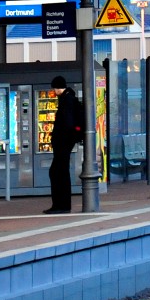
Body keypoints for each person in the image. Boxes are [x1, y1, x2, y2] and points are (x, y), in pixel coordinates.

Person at [44, 75, 83, 214]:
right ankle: (62, 205)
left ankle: (60, 205)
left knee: (57, 173)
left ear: (58, 87)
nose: (54, 90)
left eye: (55, 88)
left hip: (63, 143)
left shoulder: (66, 101)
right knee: (59, 172)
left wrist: (59, 138)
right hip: (66, 143)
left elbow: (67, 123)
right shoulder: (69, 99)